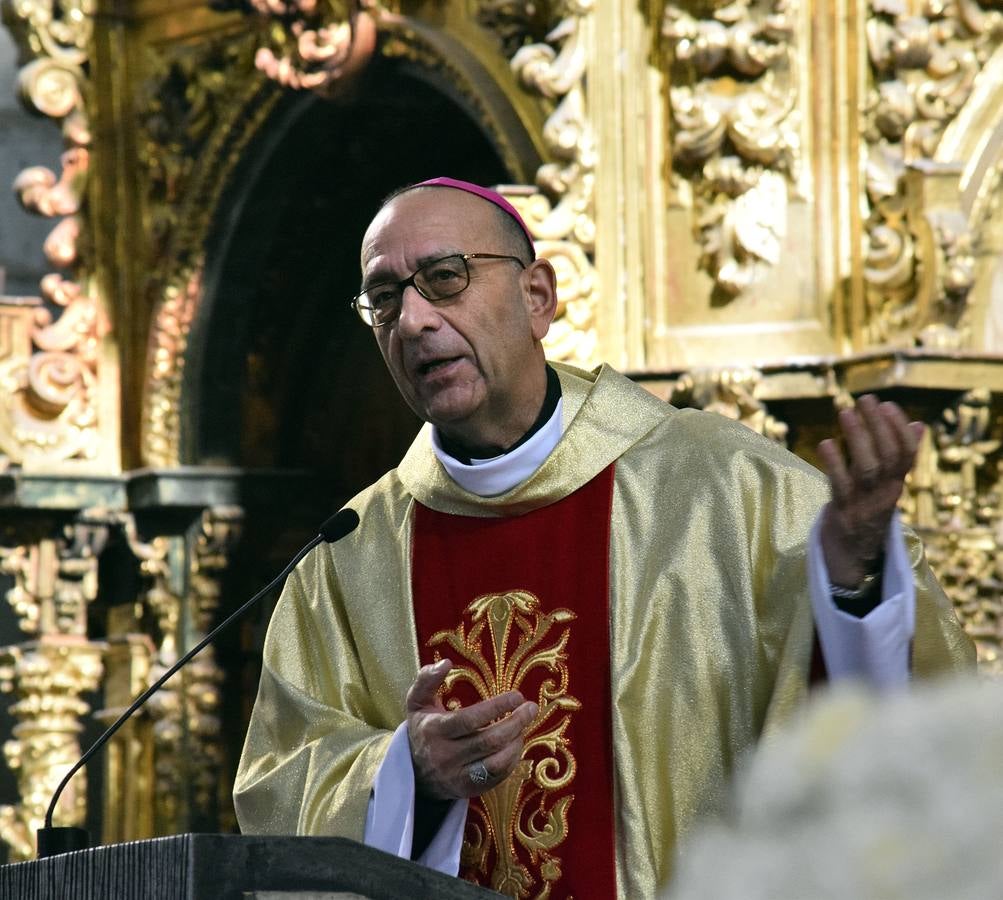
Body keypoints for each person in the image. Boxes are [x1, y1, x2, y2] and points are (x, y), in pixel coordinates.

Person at [233, 177, 974, 898]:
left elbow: (901, 733)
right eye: (385, 299)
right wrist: (405, 774)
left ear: (538, 298)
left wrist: (853, 585)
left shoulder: (730, 487)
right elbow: (280, 790)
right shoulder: (346, 558)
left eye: (445, 277)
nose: (415, 320)